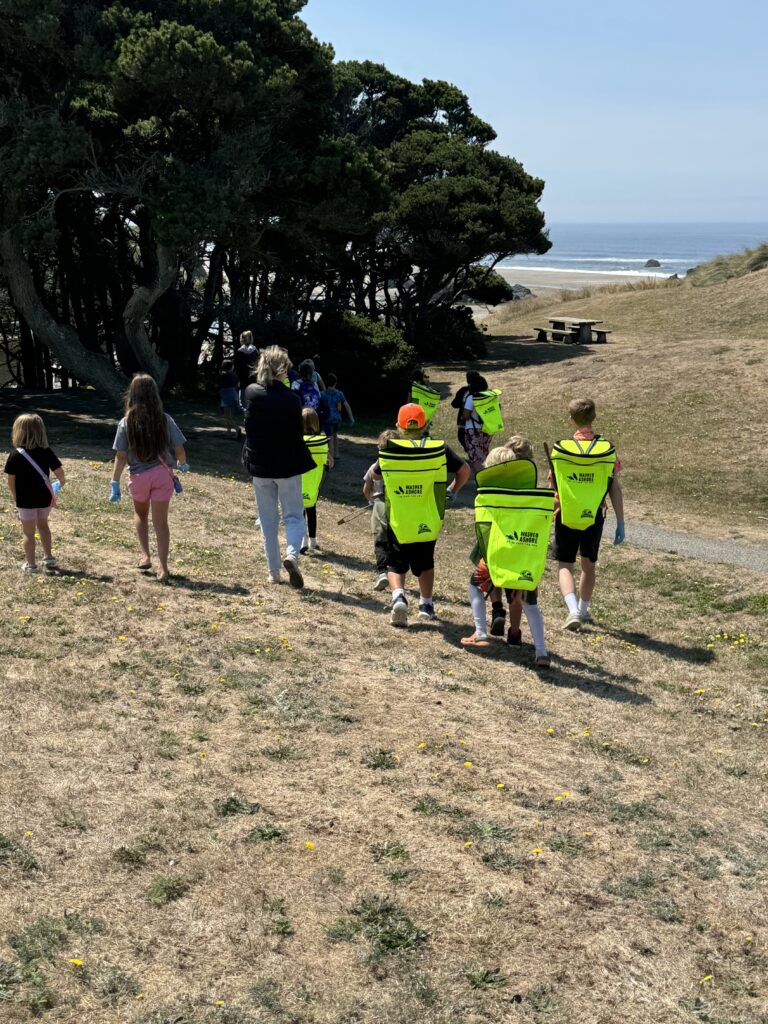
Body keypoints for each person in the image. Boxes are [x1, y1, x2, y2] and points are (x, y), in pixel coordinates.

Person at [371, 403, 470, 627]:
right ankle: (425, 605)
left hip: (400, 519)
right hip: (428, 519)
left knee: (396, 564)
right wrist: (451, 491)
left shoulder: (391, 449)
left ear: (399, 426)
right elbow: (464, 471)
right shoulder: (439, 448)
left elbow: (376, 476)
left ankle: (398, 597)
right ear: (424, 425)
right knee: (426, 563)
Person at [461, 439, 553, 667]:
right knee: (529, 602)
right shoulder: (529, 497)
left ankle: (480, 632)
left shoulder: (489, 495)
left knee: (474, 585)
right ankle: (541, 652)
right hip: (523, 555)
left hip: (495, 555)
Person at [548, 398, 625, 631]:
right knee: (588, 564)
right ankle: (583, 609)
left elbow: (554, 485)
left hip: (566, 513)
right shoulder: (607, 450)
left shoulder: (560, 450)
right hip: (595, 514)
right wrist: (621, 522)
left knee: (564, 564)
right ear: (594, 417)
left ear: (571, 419)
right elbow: (614, 486)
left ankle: (572, 610)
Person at [243, 346, 314, 588]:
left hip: (260, 466)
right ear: (282, 369)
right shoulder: (292, 400)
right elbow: (296, 433)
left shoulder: (251, 393)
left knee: (268, 519)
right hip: (287, 466)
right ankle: (292, 554)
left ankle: (273, 572)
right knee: (294, 516)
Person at [110, 374, 189, 582]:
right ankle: (163, 567)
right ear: (155, 394)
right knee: (161, 523)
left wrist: (115, 481)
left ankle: (145, 555)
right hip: (162, 475)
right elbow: (179, 448)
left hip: (138, 477)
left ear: (132, 395)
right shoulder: (165, 419)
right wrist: (182, 463)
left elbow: (120, 456)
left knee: (141, 515)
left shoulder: (125, 423)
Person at [4, 413, 66, 573]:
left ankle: (31, 565)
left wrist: (14, 495)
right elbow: (60, 473)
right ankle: (49, 557)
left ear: (17, 431)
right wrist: (59, 484)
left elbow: (11, 480)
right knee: (44, 525)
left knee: (28, 532)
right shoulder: (46, 451)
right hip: (44, 497)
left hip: (25, 499)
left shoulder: (15, 455)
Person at [363, 428, 398, 591]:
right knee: (393, 541)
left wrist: (371, 500)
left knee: (380, 541)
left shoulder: (373, 467)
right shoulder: (401, 467)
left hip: (380, 506)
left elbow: (366, 489)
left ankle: (382, 572)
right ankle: (393, 572)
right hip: (398, 507)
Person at [300, 407, 332, 554]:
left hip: (298, 482)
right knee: (311, 509)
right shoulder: (322, 441)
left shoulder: (297, 440)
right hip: (314, 484)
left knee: (299, 511)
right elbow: (329, 462)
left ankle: (303, 539)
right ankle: (313, 540)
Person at [460, 373, 492, 472]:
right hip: (487, 429)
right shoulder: (490, 397)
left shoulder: (471, 398)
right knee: (484, 452)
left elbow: (466, 415)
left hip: (473, 430)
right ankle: (488, 473)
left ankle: (482, 477)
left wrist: (462, 419)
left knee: (475, 457)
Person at [323, 373, 354, 460]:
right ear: (335, 383)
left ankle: (331, 458)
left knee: (330, 438)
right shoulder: (339, 393)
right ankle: (337, 453)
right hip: (337, 419)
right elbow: (346, 405)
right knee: (335, 434)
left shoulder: (323, 394)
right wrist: (351, 417)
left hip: (327, 419)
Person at [451, 370, 483, 454]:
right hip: (484, 423)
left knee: (464, 440)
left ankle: (473, 457)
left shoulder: (464, 391)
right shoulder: (484, 392)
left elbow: (454, 404)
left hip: (466, 423)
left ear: (467, 380)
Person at [218, 359, 243, 439]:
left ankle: (237, 429)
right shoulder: (234, 375)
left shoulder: (222, 376)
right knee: (230, 415)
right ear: (231, 367)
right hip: (233, 395)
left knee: (226, 416)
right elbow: (238, 385)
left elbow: (218, 385)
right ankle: (228, 431)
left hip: (225, 396)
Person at [234, 330, 259, 403]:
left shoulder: (239, 351)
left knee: (243, 400)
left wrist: (237, 378)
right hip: (253, 378)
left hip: (242, 378)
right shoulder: (255, 351)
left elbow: (237, 367)